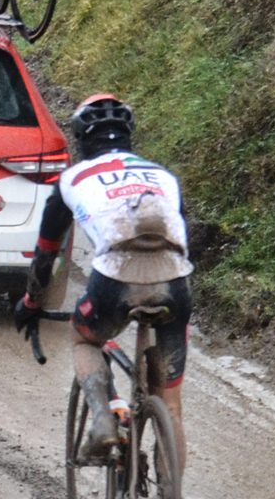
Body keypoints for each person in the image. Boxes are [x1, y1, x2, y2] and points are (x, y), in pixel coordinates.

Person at [12, 94, 192, 457]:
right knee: (171, 407)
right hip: (174, 282)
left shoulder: (71, 179)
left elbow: (48, 251)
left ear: (80, 138)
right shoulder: (163, 176)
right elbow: (184, 239)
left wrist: (32, 302)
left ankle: (102, 423)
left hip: (115, 279)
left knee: (84, 338)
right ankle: (171, 488)